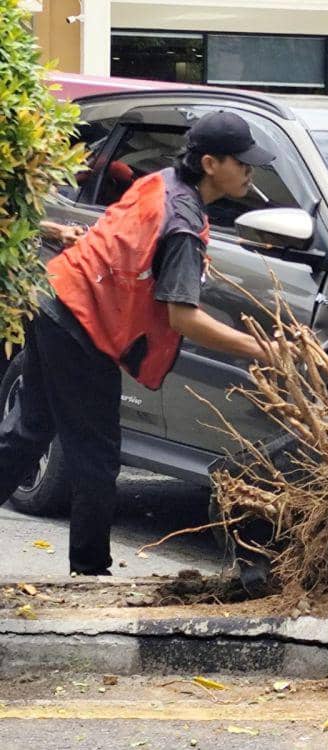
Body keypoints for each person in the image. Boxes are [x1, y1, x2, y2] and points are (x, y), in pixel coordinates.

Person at [0, 111, 277, 576]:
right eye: (243, 162)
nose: (251, 170)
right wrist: (262, 350)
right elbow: (183, 317)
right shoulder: (183, 224)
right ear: (211, 164)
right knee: (97, 456)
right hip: (82, 323)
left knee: (30, 429)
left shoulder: (163, 183)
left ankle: (87, 568)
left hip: (56, 298)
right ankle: (90, 573)